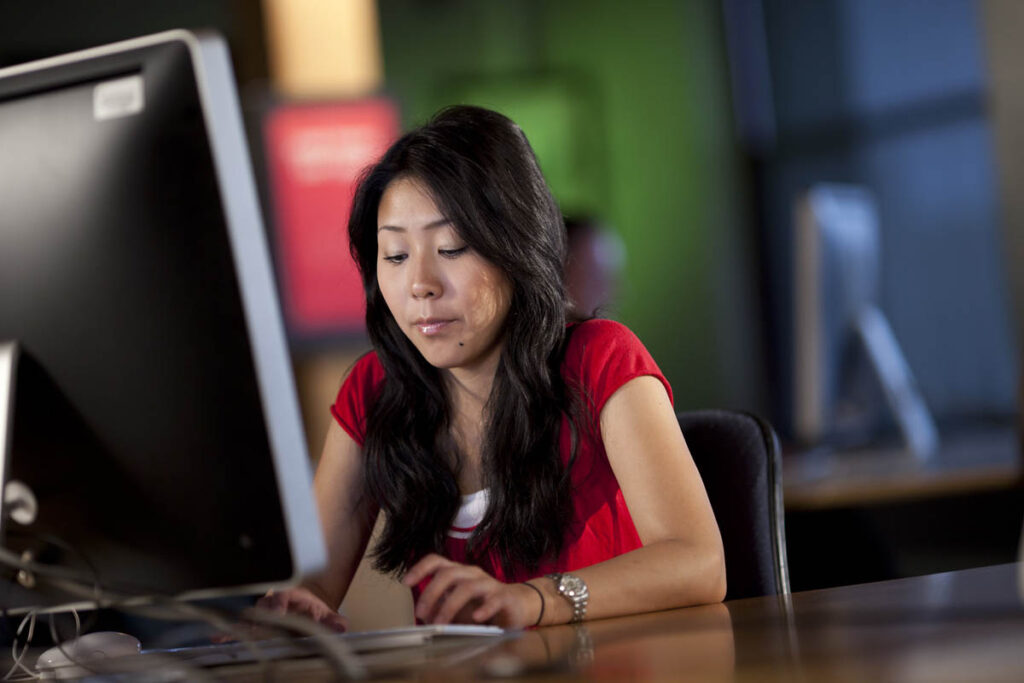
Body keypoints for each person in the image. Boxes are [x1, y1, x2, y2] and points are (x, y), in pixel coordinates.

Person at [260, 105, 725, 630]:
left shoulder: (600, 359)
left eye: (451, 247)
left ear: (516, 249)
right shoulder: (374, 390)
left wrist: (533, 600)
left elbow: (698, 562)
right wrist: (294, 608)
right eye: (394, 256)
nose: (420, 284)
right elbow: (313, 584)